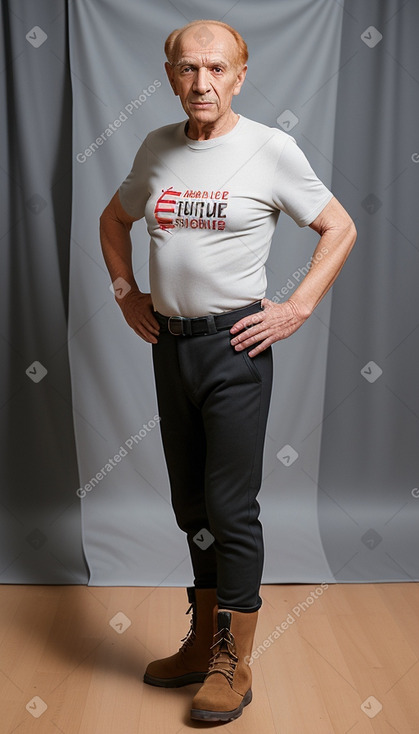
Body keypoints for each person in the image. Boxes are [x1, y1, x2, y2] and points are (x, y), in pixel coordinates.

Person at [99, 18, 356, 723]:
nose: (201, 82)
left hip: (233, 350)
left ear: (240, 76)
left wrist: (296, 306)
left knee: (229, 506)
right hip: (170, 346)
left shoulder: (270, 150)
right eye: (187, 68)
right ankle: (200, 642)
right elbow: (112, 222)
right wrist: (127, 294)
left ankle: (233, 662)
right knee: (191, 505)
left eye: (216, 69)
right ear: (170, 73)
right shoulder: (156, 148)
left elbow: (338, 227)